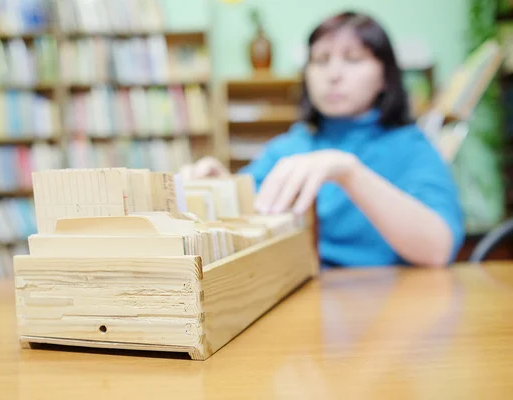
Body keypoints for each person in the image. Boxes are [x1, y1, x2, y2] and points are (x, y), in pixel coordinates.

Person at [180, 11, 465, 268]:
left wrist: (349, 172)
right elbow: (249, 211)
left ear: (385, 77)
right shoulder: (291, 146)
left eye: (353, 59)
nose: (333, 74)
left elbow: (438, 251)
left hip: (390, 303)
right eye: (320, 60)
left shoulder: (412, 148)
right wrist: (221, 187)